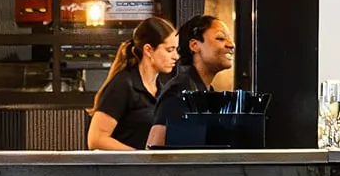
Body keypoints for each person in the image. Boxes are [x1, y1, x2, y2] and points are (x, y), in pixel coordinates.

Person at [86, 17, 177, 151]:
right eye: (169, 50)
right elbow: (96, 139)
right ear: (148, 50)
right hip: (123, 170)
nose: (176, 56)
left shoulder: (162, 91)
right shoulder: (123, 84)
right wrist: (139, 158)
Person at [147, 15, 235, 148]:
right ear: (194, 45)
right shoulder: (180, 91)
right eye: (220, 38)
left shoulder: (204, 90)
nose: (231, 44)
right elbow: (154, 149)